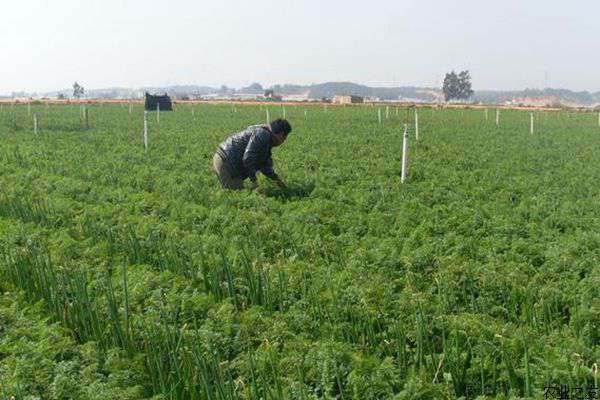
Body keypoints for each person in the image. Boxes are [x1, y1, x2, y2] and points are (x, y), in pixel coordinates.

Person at [213, 118, 291, 190]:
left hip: (226, 160)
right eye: (284, 138)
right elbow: (248, 158)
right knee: (237, 194)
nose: (283, 142)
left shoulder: (266, 137)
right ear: (281, 134)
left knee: (239, 192)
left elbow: (264, 164)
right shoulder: (262, 134)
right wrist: (254, 181)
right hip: (226, 161)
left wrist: (276, 179)